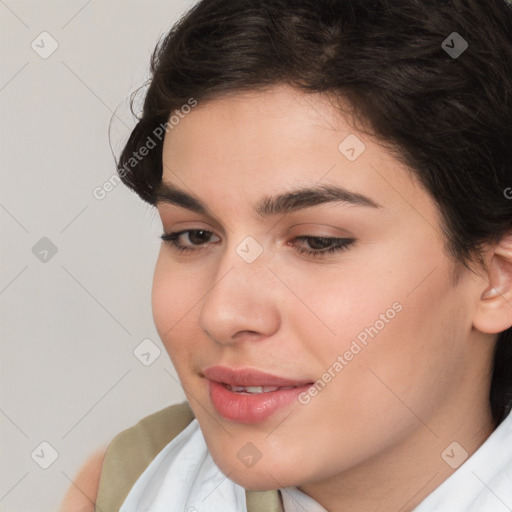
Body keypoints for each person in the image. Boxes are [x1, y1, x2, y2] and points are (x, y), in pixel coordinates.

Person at [60, 0, 512, 510]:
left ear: (498, 277)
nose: (221, 314)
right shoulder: (123, 484)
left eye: (318, 241)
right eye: (193, 235)